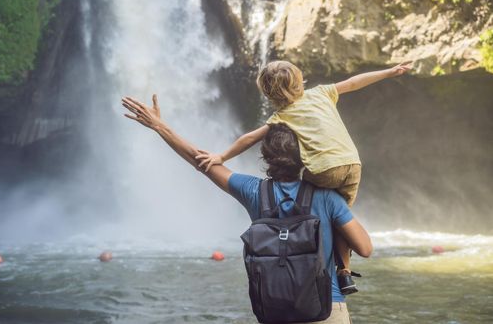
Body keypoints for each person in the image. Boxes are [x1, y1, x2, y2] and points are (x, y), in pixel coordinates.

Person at [121, 95, 373, 323]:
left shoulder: (255, 191)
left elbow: (200, 162)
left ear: (265, 157)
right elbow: (365, 248)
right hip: (327, 308)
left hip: (276, 311)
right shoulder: (327, 197)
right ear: (306, 155)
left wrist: (160, 126)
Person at [195, 61, 411, 293]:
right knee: (340, 218)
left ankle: (300, 248)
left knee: (306, 205)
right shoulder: (321, 93)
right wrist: (389, 72)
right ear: (300, 80)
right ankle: (344, 272)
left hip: (322, 170)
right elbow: (353, 82)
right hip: (352, 165)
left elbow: (249, 138)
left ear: (269, 93)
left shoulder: (281, 116)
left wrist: (222, 157)